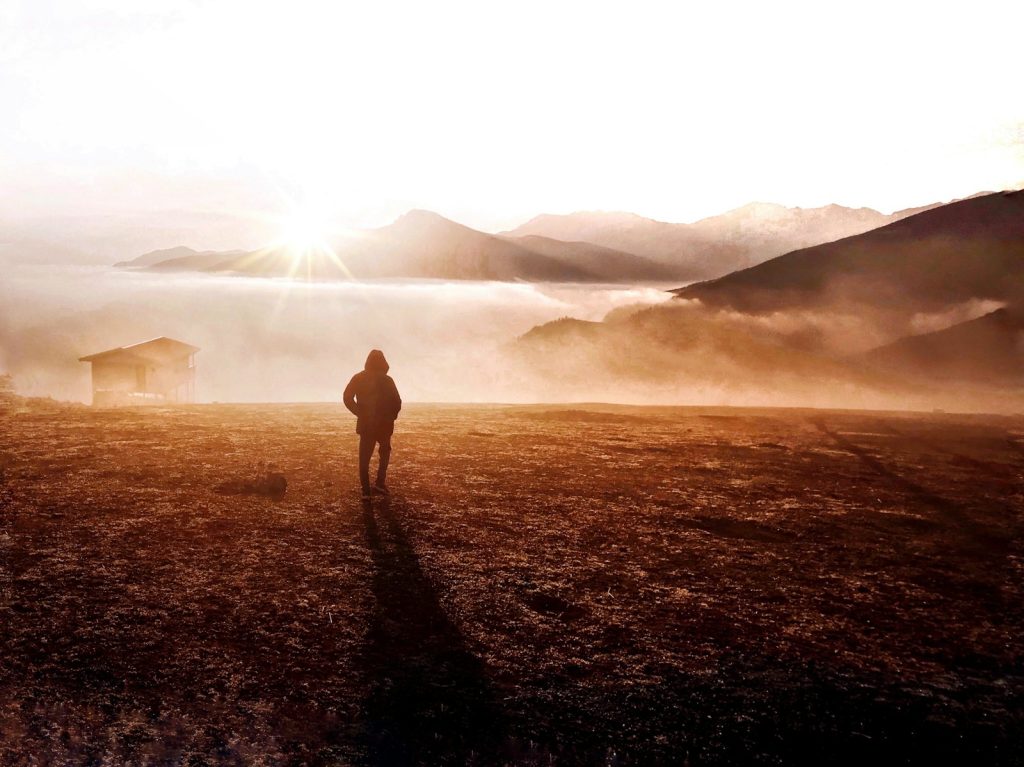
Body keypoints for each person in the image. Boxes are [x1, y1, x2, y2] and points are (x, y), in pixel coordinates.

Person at [343, 350, 402, 499]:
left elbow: (347, 397)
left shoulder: (358, 378)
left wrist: (360, 413)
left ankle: (366, 491)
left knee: (364, 457)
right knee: (384, 453)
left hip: (367, 424)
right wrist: (390, 417)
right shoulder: (388, 380)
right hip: (384, 425)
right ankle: (380, 483)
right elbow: (397, 402)